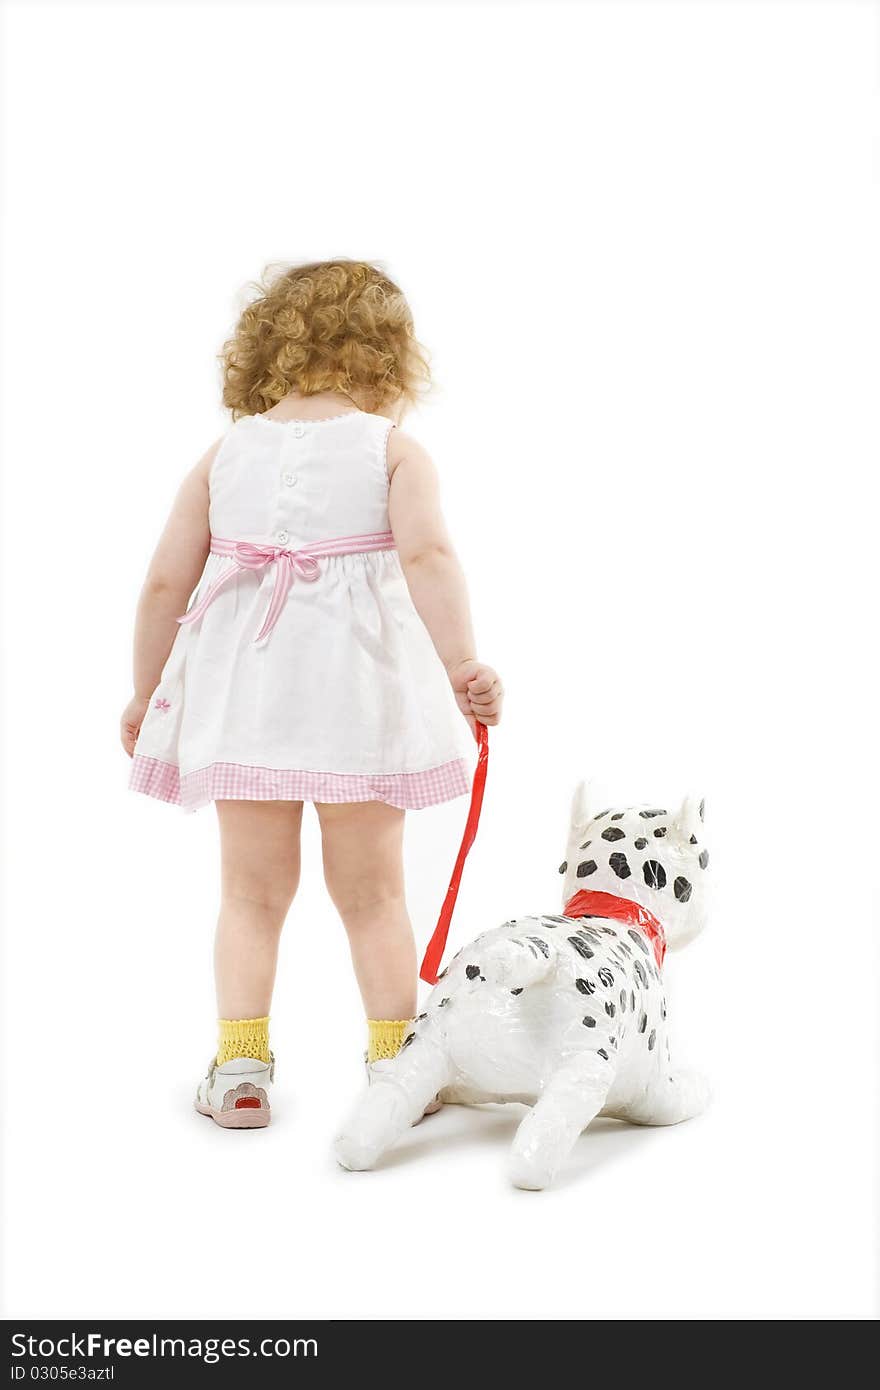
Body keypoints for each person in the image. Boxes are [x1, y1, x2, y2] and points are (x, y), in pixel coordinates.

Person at [121, 259, 503, 1128]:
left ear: (267, 352)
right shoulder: (392, 451)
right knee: (374, 895)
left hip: (245, 704)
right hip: (358, 703)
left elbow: (162, 585)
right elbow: (429, 559)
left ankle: (241, 1067)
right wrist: (460, 665)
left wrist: (148, 697)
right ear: (389, 356)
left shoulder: (226, 453)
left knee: (250, 895)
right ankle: (397, 1065)